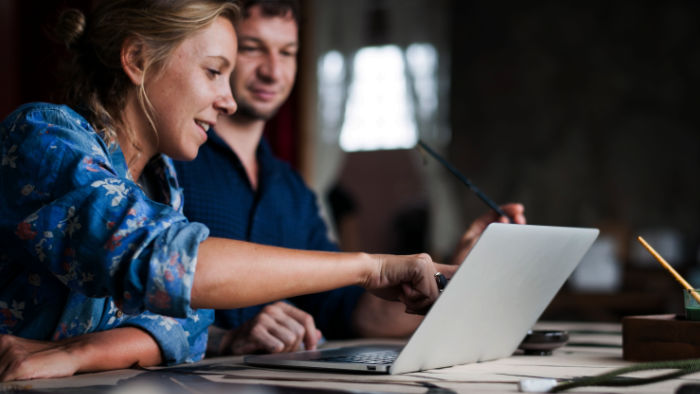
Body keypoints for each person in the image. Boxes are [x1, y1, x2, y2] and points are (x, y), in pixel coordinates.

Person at [0, 0, 453, 382]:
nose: (229, 99)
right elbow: (172, 267)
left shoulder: (162, 181)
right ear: (137, 60)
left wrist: (81, 353)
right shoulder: (43, 137)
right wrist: (370, 267)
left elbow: (187, 322)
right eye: (214, 71)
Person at [173, 0, 526, 357]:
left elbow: (345, 309)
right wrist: (222, 338)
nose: (273, 71)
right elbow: (138, 287)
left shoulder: (292, 188)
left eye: (288, 52)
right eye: (252, 49)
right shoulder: (172, 161)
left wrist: (457, 279)